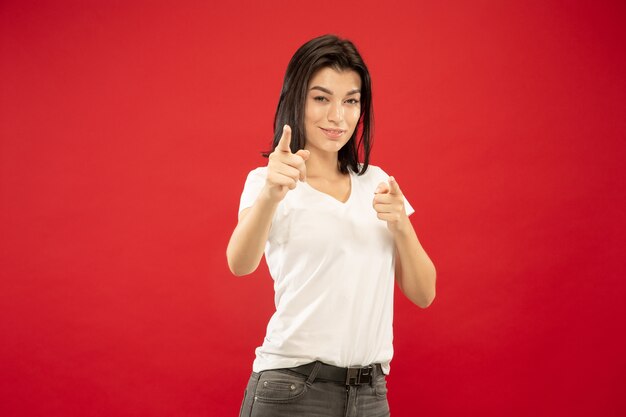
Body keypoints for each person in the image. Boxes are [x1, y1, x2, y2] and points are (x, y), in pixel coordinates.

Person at [227, 34, 436, 417]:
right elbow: (239, 263)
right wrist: (273, 193)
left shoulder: (378, 183)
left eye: (351, 101)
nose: (337, 116)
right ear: (296, 100)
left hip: (370, 395)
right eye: (321, 98)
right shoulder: (267, 182)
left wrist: (402, 227)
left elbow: (424, 294)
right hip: (291, 391)